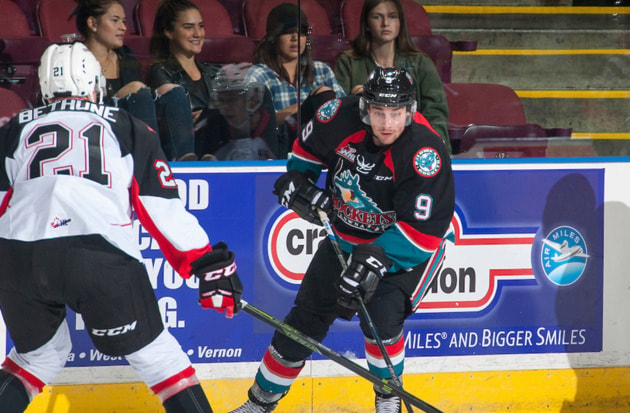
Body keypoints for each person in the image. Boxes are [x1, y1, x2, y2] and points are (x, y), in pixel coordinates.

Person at [0, 42, 244, 413]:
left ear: (43, 88)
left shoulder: (10, 130)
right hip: (96, 257)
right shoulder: (126, 126)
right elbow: (160, 208)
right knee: (161, 359)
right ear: (96, 84)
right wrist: (205, 264)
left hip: (17, 259)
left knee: (38, 357)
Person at [229, 67, 454, 413]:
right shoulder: (336, 117)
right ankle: (259, 403)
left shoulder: (426, 151)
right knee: (303, 321)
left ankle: (388, 397)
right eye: (379, 112)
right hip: (346, 239)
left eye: (396, 113)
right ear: (365, 107)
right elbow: (303, 156)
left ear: (409, 111)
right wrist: (299, 184)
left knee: (381, 319)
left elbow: (423, 234)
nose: (387, 123)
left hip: (406, 247)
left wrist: (373, 260)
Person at [72, 0, 197, 162]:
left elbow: (140, 101)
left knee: (172, 90)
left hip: (128, 127)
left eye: (124, 21)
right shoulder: (73, 58)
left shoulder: (126, 56)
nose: (123, 27)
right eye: (115, 20)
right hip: (95, 128)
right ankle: (151, 163)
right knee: (137, 89)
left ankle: (185, 161)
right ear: (92, 23)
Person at [334, 0, 451, 153]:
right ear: (366, 24)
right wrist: (355, 100)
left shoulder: (421, 63)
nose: (385, 23)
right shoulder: (348, 62)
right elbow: (338, 114)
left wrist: (432, 147)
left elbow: (436, 114)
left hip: (413, 146)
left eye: (392, 17)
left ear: (400, 22)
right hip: (364, 149)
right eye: (377, 17)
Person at [244, 2, 346, 157]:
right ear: (274, 37)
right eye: (288, 32)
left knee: (326, 96)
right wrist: (298, 110)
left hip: (320, 147)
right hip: (280, 149)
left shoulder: (322, 70)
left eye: (302, 32)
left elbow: (342, 114)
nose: (295, 38)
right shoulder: (258, 74)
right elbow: (253, 125)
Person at [203, 62, 278, 160]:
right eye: (221, 101)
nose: (225, 107)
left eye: (232, 100)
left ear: (252, 102)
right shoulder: (212, 129)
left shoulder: (276, 136)